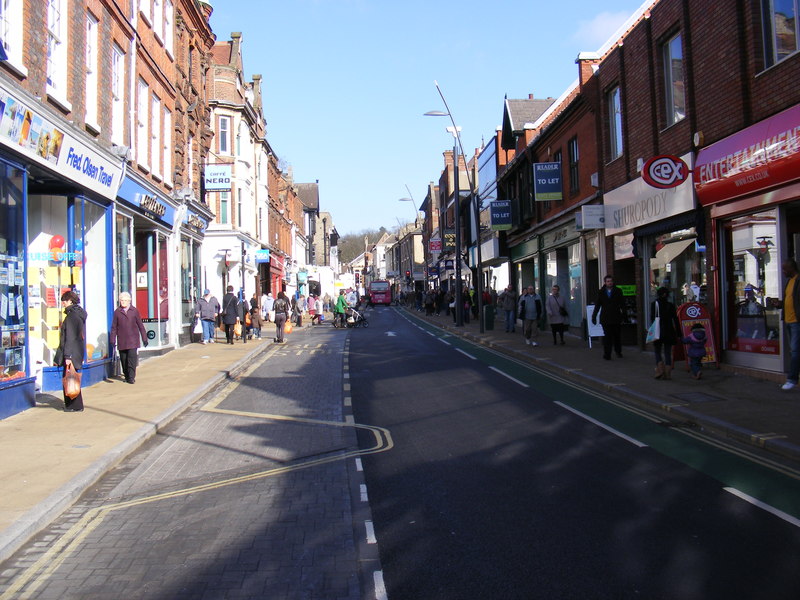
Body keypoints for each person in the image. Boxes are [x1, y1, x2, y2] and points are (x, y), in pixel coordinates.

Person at [770, 259, 800, 390]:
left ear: (791, 269)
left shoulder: (798, 281)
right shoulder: (789, 282)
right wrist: (779, 304)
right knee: (794, 350)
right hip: (788, 320)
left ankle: (792, 379)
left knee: (795, 351)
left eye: (784, 269)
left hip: (796, 321)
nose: (783, 272)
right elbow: (790, 300)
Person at [55, 290, 87, 412]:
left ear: (70, 301)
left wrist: (67, 356)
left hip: (71, 352)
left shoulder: (72, 317)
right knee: (71, 377)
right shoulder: (77, 314)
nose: (62, 303)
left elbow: (70, 337)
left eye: (64, 300)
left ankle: (74, 405)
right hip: (76, 351)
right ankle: (73, 405)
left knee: (70, 378)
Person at [110, 292, 149, 384]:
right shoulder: (117, 312)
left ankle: (131, 377)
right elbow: (114, 327)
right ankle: (127, 375)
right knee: (124, 360)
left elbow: (140, 325)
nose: (123, 302)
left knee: (131, 359)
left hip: (133, 340)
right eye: (121, 300)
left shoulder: (134, 311)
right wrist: (112, 340)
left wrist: (144, 338)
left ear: (129, 301)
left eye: (125, 300)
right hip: (122, 340)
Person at [591, 275, 626, 360]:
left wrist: (624, 315)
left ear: (613, 282)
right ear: (605, 282)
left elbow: (622, 304)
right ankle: (607, 354)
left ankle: (618, 351)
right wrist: (594, 316)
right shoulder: (601, 292)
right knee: (607, 337)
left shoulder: (618, 291)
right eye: (608, 281)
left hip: (616, 317)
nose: (609, 283)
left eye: (611, 281)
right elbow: (598, 305)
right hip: (605, 318)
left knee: (617, 336)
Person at [650, 287, 682, 380]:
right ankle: (668, 373)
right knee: (668, 352)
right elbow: (675, 320)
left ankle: (660, 369)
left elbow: (652, 318)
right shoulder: (670, 305)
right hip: (669, 330)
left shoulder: (654, 304)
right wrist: (679, 333)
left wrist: (651, 330)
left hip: (658, 330)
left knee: (657, 351)